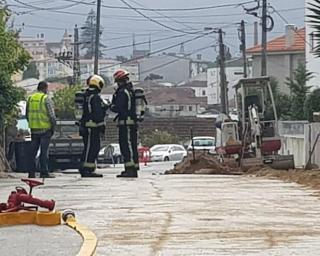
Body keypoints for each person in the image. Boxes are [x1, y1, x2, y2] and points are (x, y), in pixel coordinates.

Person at [111, 69, 139, 178]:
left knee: (126, 146)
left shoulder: (123, 92)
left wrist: (111, 106)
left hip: (126, 123)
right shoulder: (130, 91)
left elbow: (118, 108)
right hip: (130, 123)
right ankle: (131, 169)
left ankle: (130, 170)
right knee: (131, 145)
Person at [78, 75, 107, 178]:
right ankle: (86, 169)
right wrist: (101, 126)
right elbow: (97, 114)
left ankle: (89, 169)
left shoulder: (87, 96)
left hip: (88, 127)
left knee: (91, 148)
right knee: (91, 148)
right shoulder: (94, 97)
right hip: (91, 128)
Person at [26, 81, 56, 178]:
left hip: (34, 129)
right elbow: (52, 116)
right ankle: (44, 172)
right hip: (45, 130)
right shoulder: (46, 99)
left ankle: (31, 172)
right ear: (45, 88)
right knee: (44, 152)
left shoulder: (30, 98)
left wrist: (32, 124)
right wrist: (53, 127)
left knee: (32, 152)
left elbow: (27, 114)